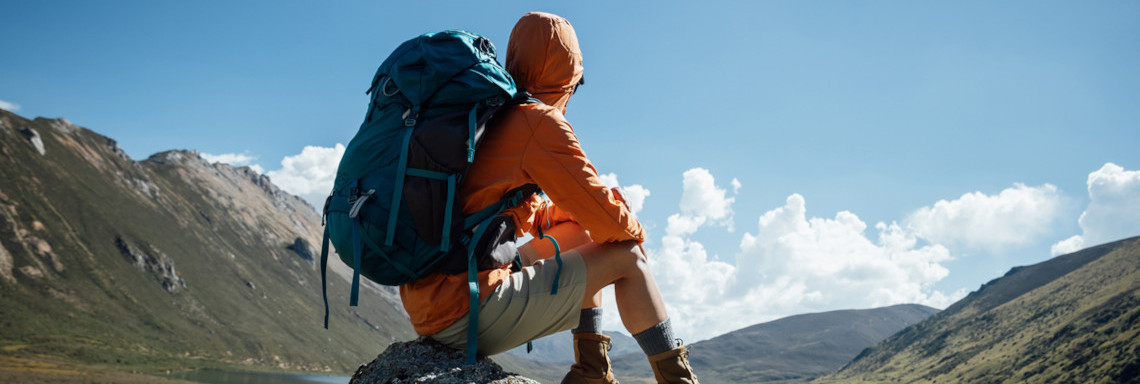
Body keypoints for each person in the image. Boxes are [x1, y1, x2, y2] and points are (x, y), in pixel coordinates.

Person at [399, 12, 699, 384]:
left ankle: (592, 371)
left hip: (434, 300)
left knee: (587, 232)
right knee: (628, 256)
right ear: (567, 77)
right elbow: (608, 222)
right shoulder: (538, 122)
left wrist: (592, 217)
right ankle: (674, 380)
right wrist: (633, 229)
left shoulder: (486, 114)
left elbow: (509, 208)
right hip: (464, 312)